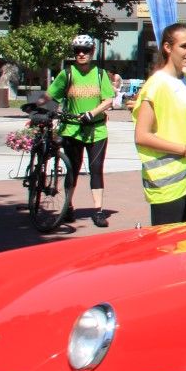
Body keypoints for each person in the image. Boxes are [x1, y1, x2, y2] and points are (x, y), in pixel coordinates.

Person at [133, 23, 186, 226]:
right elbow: (142, 136)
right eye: (184, 46)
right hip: (167, 180)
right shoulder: (156, 85)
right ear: (167, 47)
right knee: (166, 246)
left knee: (184, 241)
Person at [49, 33, 115, 227]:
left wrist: (92, 113)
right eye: (77, 51)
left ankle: (98, 210)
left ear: (92, 52)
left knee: (96, 170)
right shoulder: (67, 73)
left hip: (96, 130)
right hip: (72, 130)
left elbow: (109, 100)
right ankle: (67, 206)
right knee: (72, 170)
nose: (81, 54)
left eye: (85, 50)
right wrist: (37, 105)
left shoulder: (100, 74)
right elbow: (52, 94)